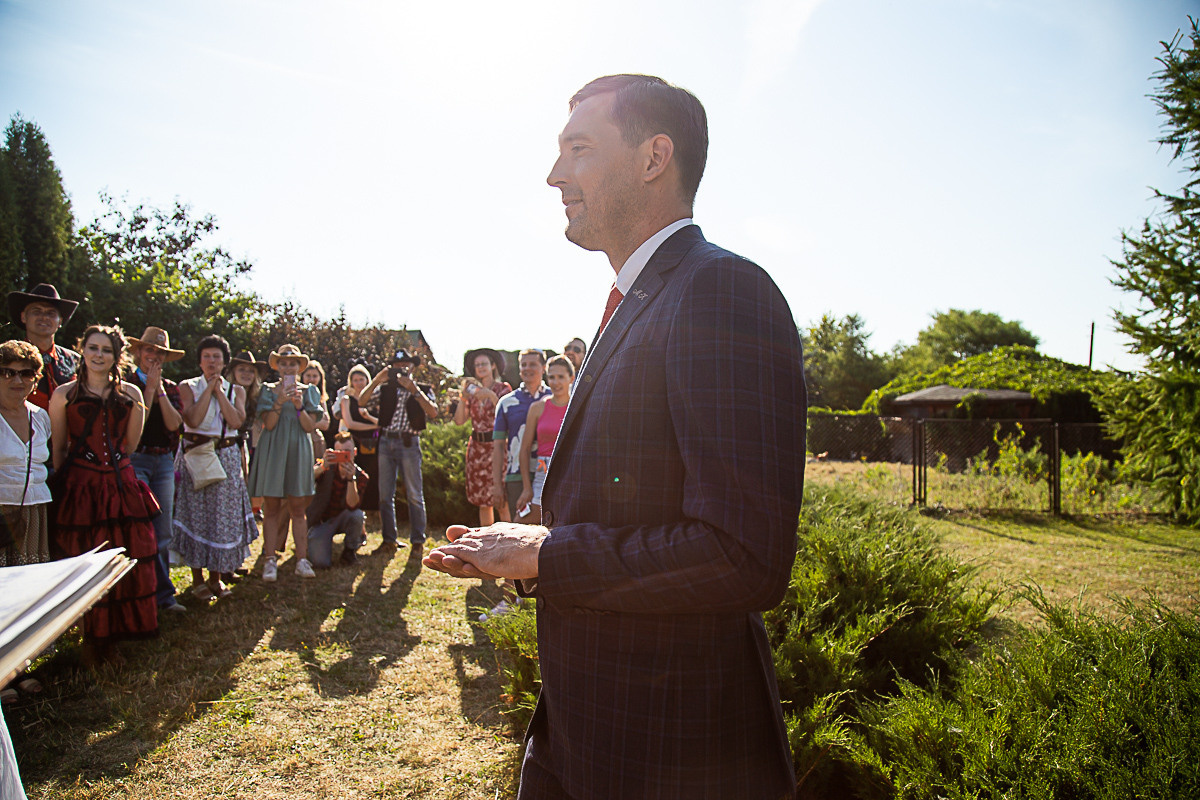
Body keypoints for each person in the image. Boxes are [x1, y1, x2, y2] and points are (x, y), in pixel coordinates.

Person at [426, 75, 807, 799]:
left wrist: (549, 553)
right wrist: (531, 542)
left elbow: (744, 554)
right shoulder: (641, 297)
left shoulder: (720, 291)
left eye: (578, 148)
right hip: (586, 725)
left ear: (653, 157)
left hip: (671, 750)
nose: (554, 175)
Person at [49, 325, 161, 667]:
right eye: (93, 348)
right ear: (82, 350)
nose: (99, 355)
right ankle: (88, 638)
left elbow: (132, 444)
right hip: (81, 486)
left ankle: (111, 639)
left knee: (121, 557)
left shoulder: (131, 394)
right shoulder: (63, 394)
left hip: (119, 483)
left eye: (107, 350)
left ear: (117, 356)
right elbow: (59, 450)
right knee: (84, 558)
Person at [172, 335, 258, 600]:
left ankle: (216, 578)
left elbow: (236, 420)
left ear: (224, 362)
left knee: (221, 517)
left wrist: (219, 391)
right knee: (197, 515)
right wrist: (208, 389)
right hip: (197, 455)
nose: (211, 361)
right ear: (199, 360)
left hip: (227, 455)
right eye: (207, 356)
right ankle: (197, 579)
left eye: (217, 357)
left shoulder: (236, 391)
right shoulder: (187, 387)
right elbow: (193, 419)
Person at [0, 340, 53, 703]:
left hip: (35, 509)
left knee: (28, 591)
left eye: (25, 373)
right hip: (0, 510)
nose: (16, 380)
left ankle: (21, 667)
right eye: (7, 372)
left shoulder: (41, 416)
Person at [125, 326, 187, 615]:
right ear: (139, 351)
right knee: (138, 528)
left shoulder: (172, 387)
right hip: (135, 460)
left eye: (160, 352)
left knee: (162, 531)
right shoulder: (125, 382)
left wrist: (159, 388)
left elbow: (175, 424)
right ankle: (139, 595)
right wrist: (148, 388)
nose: (154, 356)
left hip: (163, 462)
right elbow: (137, 420)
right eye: (150, 350)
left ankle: (164, 596)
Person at [247, 344, 321, 580]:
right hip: (274, 450)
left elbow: (309, 427)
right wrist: (279, 401)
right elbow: (268, 424)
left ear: (300, 367)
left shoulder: (309, 391)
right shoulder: (267, 391)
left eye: (292, 363)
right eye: (284, 363)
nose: (288, 367)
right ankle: (270, 559)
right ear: (277, 366)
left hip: (298, 449)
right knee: (272, 507)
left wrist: (299, 407)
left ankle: (302, 559)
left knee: (298, 507)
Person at [363, 349, 438, 556]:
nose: (401, 369)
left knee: (414, 494)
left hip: (409, 443)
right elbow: (361, 402)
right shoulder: (386, 389)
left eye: (405, 365)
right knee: (385, 494)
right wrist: (377, 380)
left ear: (412, 367)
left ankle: (417, 542)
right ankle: (389, 540)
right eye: (397, 365)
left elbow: (433, 411)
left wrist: (414, 390)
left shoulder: (422, 388)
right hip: (386, 441)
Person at [452, 348, 512, 526]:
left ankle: (509, 543)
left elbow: (508, 415)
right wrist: (463, 399)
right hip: (477, 449)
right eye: (477, 365)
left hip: (497, 448)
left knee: (501, 500)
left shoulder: (503, 389)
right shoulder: (472, 392)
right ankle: (487, 546)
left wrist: (492, 396)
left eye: (484, 364)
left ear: (493, 366)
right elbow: (459, 421)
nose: (480, 368)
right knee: (483, 502)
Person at [491, 349, 550, 522]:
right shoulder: (506, 403)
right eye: (523, 364)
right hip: (516, 475)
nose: (527, 368)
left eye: (533, 364)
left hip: (548, 473)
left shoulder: (555, 399)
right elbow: (499, 446)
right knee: (519, 530)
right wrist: (496, 485)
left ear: (543, 368)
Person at [516, 354, 574, 525]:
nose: (555, 382)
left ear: (571, 378)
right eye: (551, 377)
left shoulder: (577, 407)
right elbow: (525, 450)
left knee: (563, 526)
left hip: (569, 472)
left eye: (561, 377)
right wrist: (527, 488)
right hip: (542, 472)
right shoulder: (538, 408)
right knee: (522, 524)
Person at [6, 283, 80, 412]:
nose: (44, 317)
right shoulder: (6, 358)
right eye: (37, 311)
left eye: (51, 313)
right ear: (24, 317)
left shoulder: (75, 361)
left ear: (60, 321)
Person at [306, 432, 369, 568]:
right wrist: (323, 466)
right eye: (338, 452)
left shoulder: (361, 476)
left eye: (346, 452)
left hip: (343, 518)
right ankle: (314, 539)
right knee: (320, 563)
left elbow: (352, 506)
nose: (342, 456)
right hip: (321, 522)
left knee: (357, 515)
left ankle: (349, 550)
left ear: (355, 452)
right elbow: (307, 478)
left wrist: (350, 479)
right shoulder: (326, 466)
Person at [338, 363, 381, 512]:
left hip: (374, 443)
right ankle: (355, 506)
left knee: (374, 475)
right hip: (355, 442)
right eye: (355, 380)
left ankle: (373, 509)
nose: (358, 383)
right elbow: (349, 423)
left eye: (361, 379)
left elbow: (381, 422)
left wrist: (369, 417)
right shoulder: (346, 400)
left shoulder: (374, 399)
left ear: (367, 380)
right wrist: (372, 426)